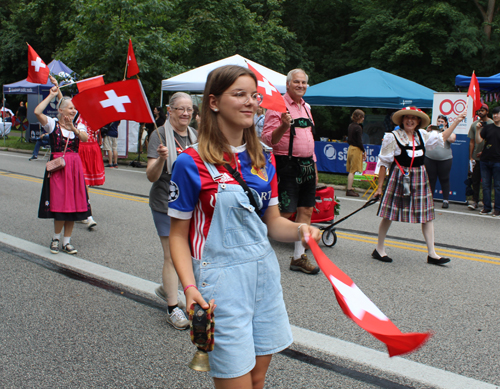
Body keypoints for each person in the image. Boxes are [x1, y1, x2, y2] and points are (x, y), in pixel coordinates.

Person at [168, 64, 320, 388]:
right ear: (213, 102)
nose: (250, 102)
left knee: (257, 379)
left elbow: (274, 223)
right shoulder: (189, 162)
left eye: (254, 95)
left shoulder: (265, 157)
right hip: (221, 284)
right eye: (239, 94)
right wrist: (189, 287)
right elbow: (178, 236)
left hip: (264, 277)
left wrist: (301, 231)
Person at [373, 106, 466, 266]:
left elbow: (442, 137)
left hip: (420, 176)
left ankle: (432, 254)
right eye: (407, 117)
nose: (410, 120)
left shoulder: (422, 135)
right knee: (389, 214)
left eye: (414, 118)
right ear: (402, 120)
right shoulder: (392, 137)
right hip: (399, 177)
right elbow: (384, 163)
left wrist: (456, 121)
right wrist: (380, 187)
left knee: (427, 216)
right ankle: (379, 249)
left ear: (418, 122)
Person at [147, 92, 198, 330]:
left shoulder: (195, 136)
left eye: (189, 109)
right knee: (172, 256)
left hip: (190, 205)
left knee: (189, 254)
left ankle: (167, 287)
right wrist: (159, 159)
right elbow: (151, 176)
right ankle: (172, 308)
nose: (186, 113)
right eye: (181, 109)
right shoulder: (157, 135)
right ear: (170, 110)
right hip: (165, 203)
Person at [261, 68, 319, 274]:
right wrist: (283, 127)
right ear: (288, 84)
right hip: (286, 164)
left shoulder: (306, 107)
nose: (301, 86)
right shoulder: (277, 106)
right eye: (297, 82)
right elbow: (268, 139)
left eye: (304, 83)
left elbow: (309, 138)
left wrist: (314, 164)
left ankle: (298, 257)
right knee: (283, 212)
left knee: (306, 210)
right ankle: (257, 253)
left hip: (307, 165)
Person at [35, 86, 90, 255]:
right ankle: (56, 238)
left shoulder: (78, 126)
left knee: (73, 206)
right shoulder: (52, 124)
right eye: (70, 107)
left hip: (74, 169)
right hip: (59, 169)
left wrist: (73, 128)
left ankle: (67, 241)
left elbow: (85, 138)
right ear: (61, 110)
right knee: (60, 205)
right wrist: (51, 95)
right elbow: (37, 112)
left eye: (74, 108)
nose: (74, 110)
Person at [77, 115, 105, 229]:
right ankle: (88, 215)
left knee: (84, 182)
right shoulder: (79, 118)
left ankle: (81, 211)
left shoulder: (95, 117)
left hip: (92, 149)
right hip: (82, 148)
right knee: (84, 182)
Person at [424, 115, 456, 208]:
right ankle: (429, 200)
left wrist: (444, 130)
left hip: (445, 160)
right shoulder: (432, 132)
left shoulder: (449, 131)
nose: (440, 123)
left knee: (444, 179)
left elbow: (452, 139)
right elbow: (423, 139)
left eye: (442, 121)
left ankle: (445, 200)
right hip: (430, 158)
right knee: (431, 179)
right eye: (439, 121)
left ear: (446, 123)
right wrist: (428, 130)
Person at [476, 106, 500, 217]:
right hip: (485, 160)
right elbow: (479, 140)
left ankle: (497, 209)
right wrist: (477, 130)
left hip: (498, 161)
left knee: (497, 186)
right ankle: (486, 207)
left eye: (498, 113)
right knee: (485, 185)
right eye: (494, 114)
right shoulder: (488, 127)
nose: (495, 115)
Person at [467, 103, 492, 210]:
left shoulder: (492, 123)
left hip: (489, 156)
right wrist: (471, 157)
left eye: (483, 110)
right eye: (479, 110)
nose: (480, 112)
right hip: (476, 157)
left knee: (488, 181)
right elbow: (472, 142)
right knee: (475, 180)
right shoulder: (474, 125)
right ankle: (475, 201)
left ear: (487, 111)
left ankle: (487, 202)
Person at [346, 109, 366, 196]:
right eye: (362, 117)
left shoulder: (350, 125)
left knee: (351, 169)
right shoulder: (358, 127)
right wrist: (363, 151)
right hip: (356, 149)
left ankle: (349, 187)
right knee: (353, 171)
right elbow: (359, 141)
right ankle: (349, 189)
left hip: (350, 148)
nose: (363, 119)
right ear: (359, 117)